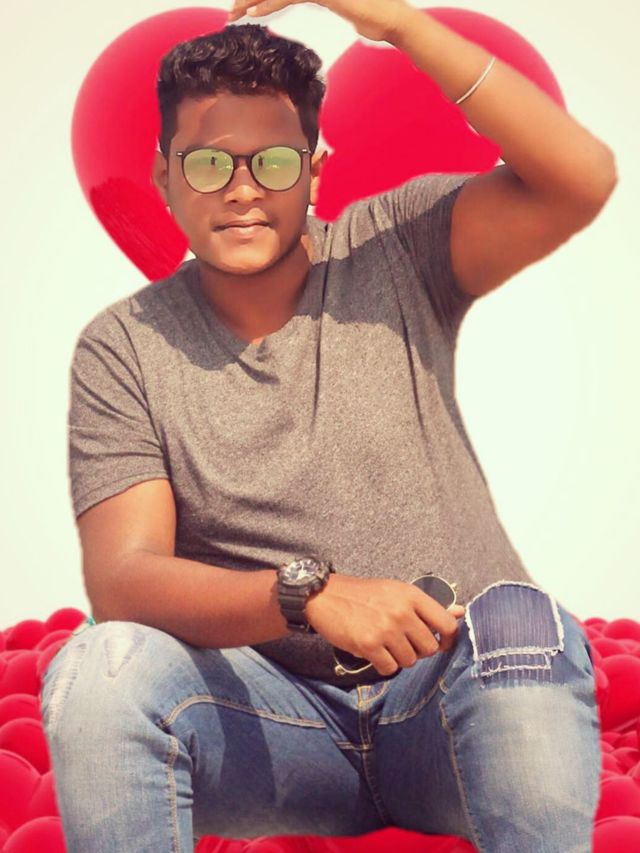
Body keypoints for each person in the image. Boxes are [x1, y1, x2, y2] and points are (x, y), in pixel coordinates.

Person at [40, 6, 615, 851]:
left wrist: (398, 24)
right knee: (99, 666)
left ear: (314, 170)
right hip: (269, 728)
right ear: (164, 175)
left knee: (521, 618)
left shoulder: (399, 247)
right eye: (209, 163)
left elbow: (581, 178)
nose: (242, 189)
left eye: (273, 162)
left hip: (452, 709)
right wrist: (308, 594)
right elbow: (125, 580)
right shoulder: (122, 346)